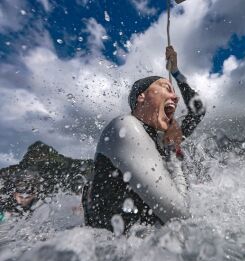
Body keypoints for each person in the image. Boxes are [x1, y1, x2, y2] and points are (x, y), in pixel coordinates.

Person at [82, 46, 206, 233]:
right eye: (166, 88)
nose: (175, 97)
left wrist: (176, 73)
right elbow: (179, 216)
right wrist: (173, 159)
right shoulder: (126, 127)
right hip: (115, 254)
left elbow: (198, 110)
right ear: (141, 97)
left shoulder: (162, 137)